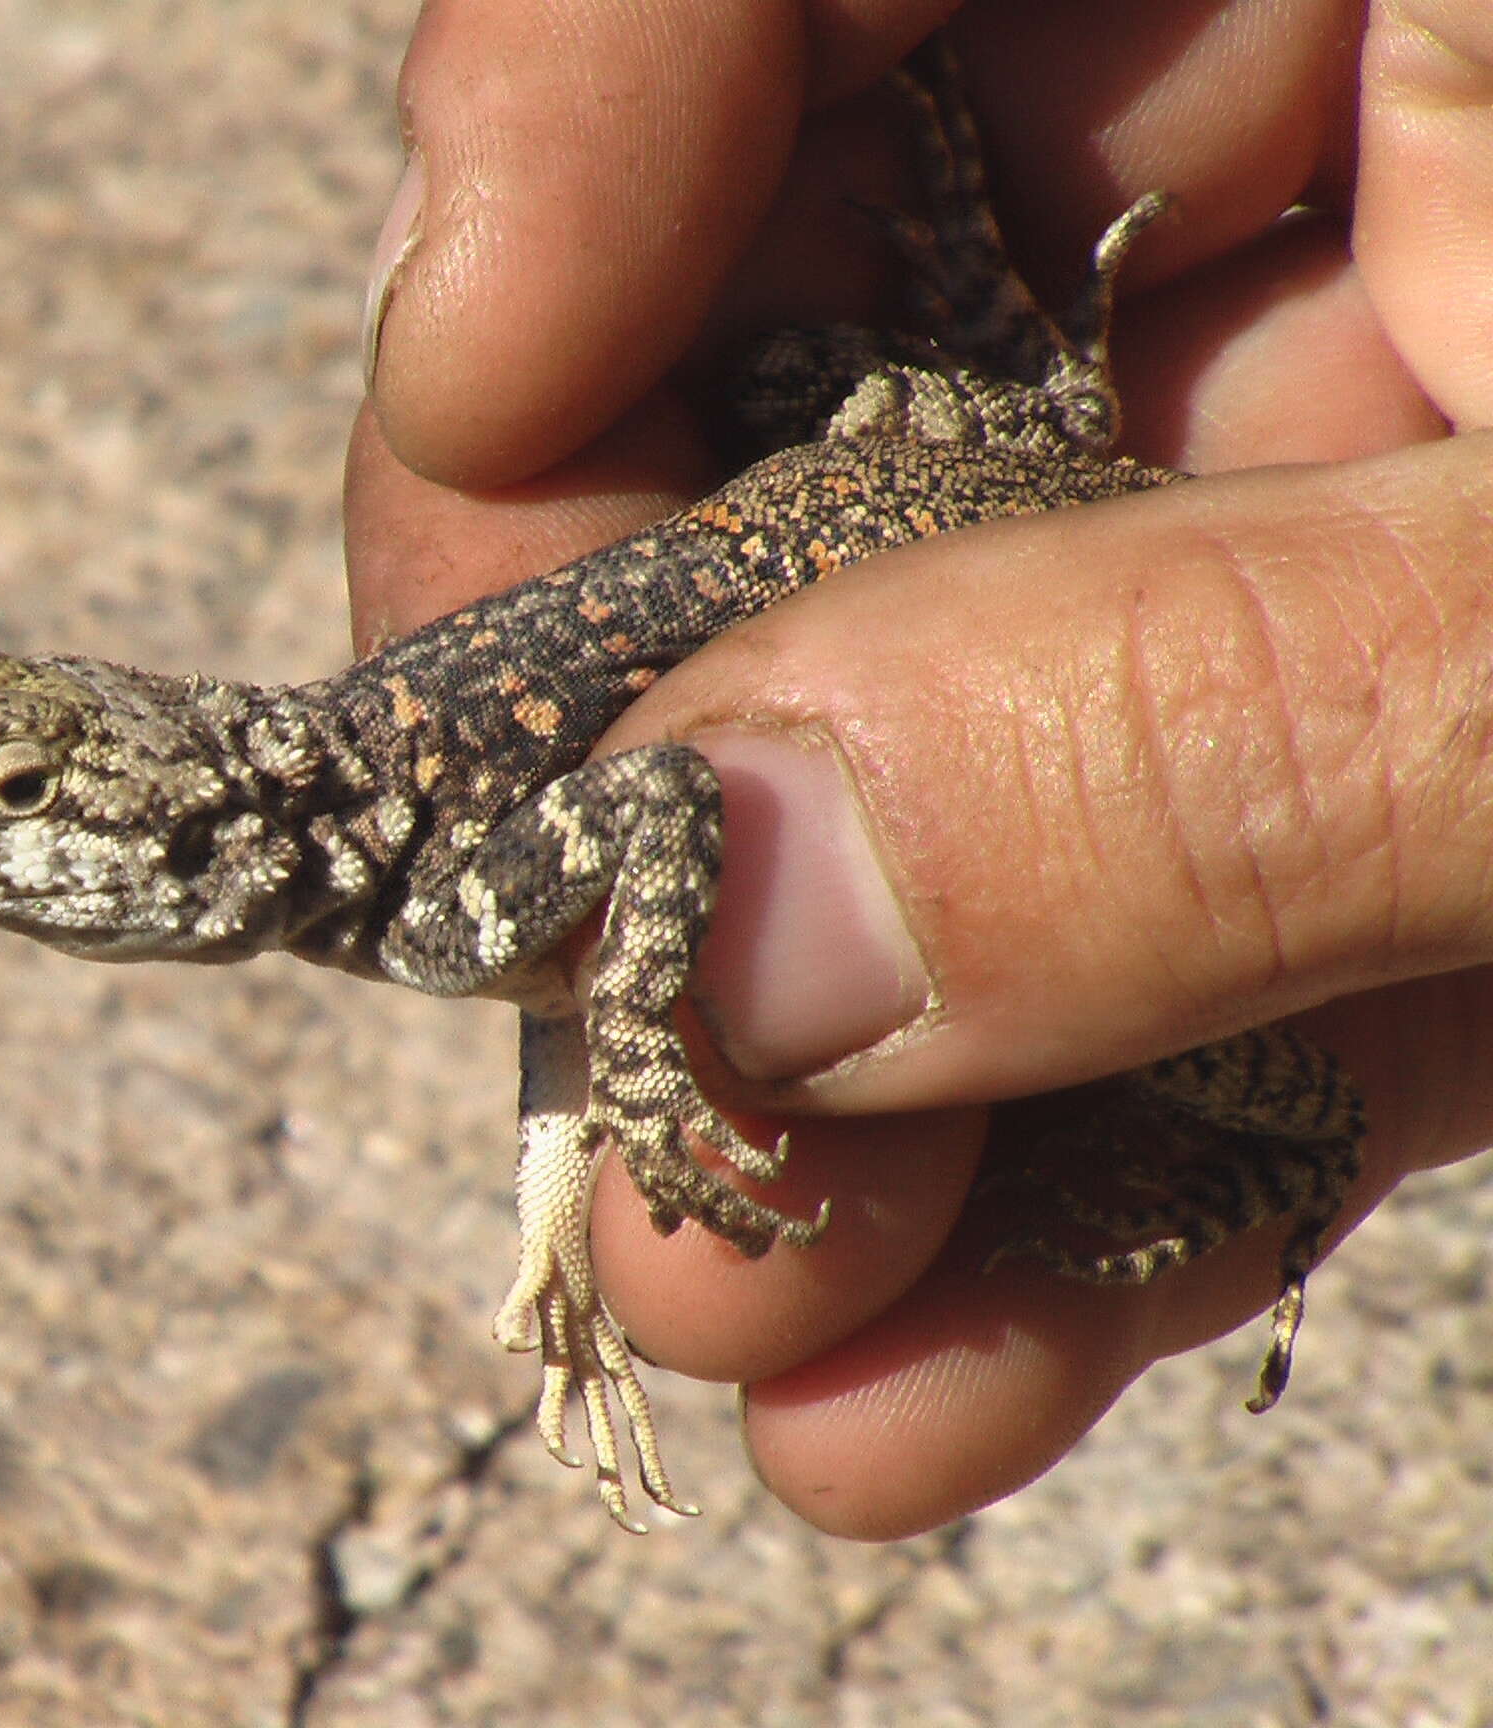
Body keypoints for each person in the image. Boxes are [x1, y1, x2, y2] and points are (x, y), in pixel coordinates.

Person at [346, 0, 1490, 1539]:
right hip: (942, 499)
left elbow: (601, 884)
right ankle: (1028, 389)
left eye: (16, 790)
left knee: (1244, 1082)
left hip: (979, 522)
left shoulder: (397, 830)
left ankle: (1286, 1166)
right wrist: (554, 1226)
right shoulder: (413, 842)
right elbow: (557, 946)